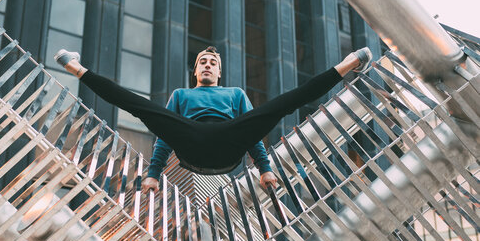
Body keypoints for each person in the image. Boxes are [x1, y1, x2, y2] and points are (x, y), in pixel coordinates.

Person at [54, 45, 372, 193]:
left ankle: (345, 66)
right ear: (196, 70)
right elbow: (165, 135)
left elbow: (252, 132)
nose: (207, 65)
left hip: (228, 147)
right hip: (191, 145)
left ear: (219, 72)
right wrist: (152, 175)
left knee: (280, 106)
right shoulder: (182, 95)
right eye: (202, 62)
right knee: (142, 107)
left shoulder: (234, 94)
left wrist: (265, 170)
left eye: (212, 63)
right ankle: (76, 68)